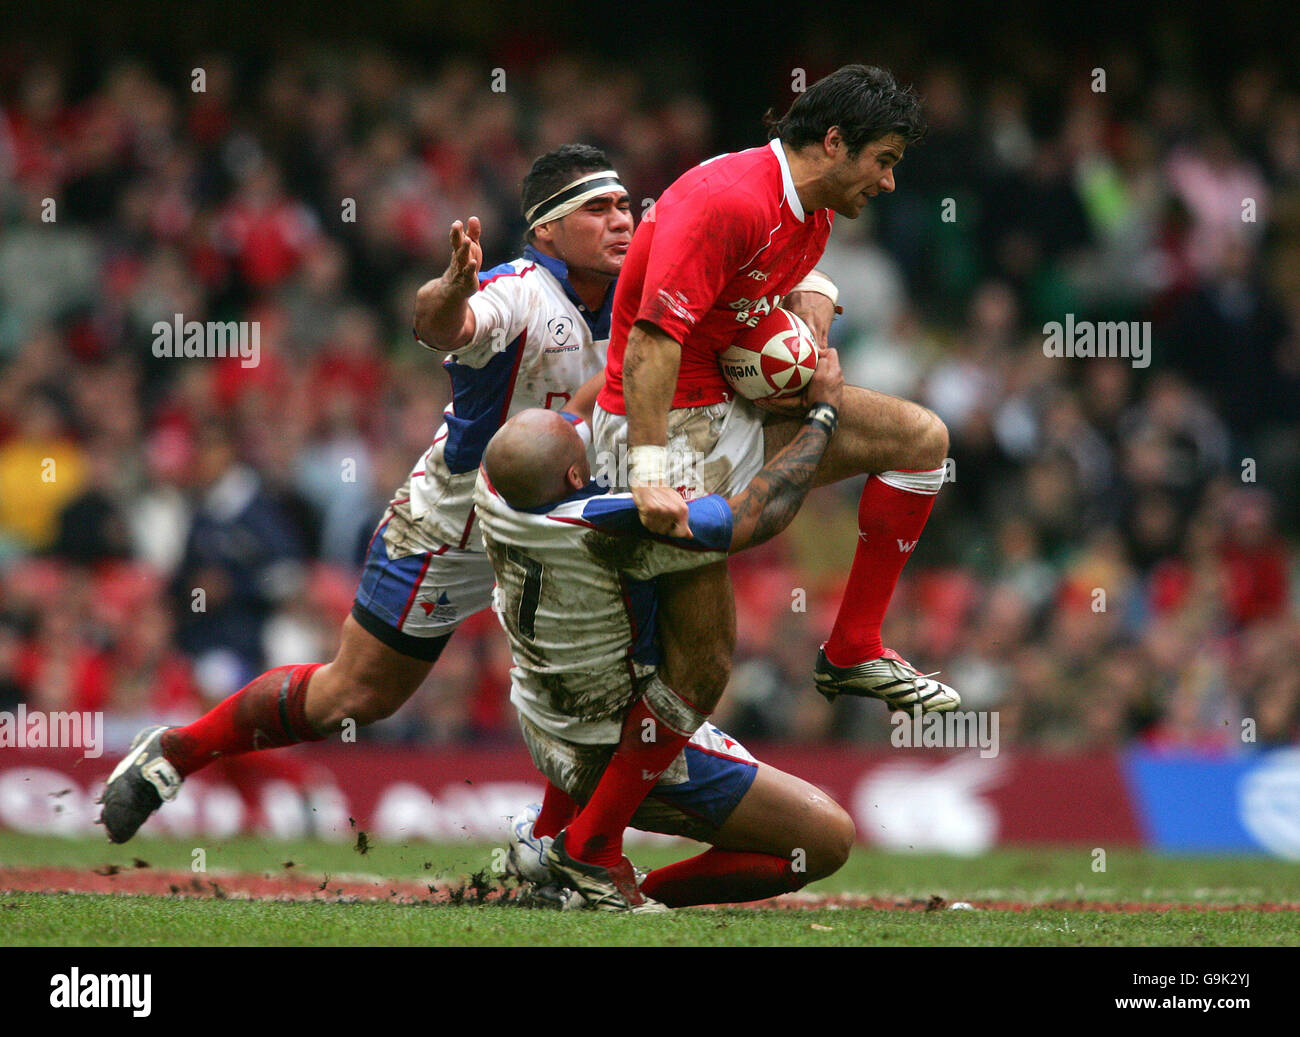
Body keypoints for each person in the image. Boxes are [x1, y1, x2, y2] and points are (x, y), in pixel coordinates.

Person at [98, 144, 634, 842]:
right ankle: (177, 751)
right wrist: (451, 287)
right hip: (457, 524)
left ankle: (563, 849)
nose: (622, 221)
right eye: (599, 208)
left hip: (556, 525)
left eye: (625, 205)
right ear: (547, 230)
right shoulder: (519, 288)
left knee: (605, 678)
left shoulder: (644, 292)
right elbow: (442, 321)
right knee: (354, 693)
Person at [474, 346, 853, 912]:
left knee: (617, 662)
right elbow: (755, 514)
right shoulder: (614, 526)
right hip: (618, 746)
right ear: (576, 474)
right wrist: (822, 416)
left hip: (543, 723)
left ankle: (549, 834)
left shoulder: (495, 486)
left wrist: (660, 355)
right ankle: (601, 872)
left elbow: (583, 407)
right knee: (826, 841)